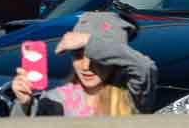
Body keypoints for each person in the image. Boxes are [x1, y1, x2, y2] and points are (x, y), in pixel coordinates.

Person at [8, 11, 155, 116]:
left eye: (98, 58)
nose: (85, 66)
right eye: (78, 55)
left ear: (114, 59)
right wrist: (24, 105)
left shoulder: (131, 96)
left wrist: (88, 41)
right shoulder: (56, 99)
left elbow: (145, 67)